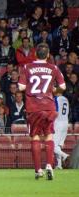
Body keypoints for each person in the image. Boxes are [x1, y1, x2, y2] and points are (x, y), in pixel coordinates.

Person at [18, 43, 66, 180]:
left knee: (35, 137)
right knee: (49, 135)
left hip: (34, 107)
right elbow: (63, 86)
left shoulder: (27, 67)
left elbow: (21, 87)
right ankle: (50, 166)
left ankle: (38, 170)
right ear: (48, 54)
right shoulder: (54, 68)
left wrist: (31, 87)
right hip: (49, 106)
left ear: (34, 54)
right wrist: (54, 90)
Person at [53, 88, 70, 169]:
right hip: (66, 123)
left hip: (58, 123)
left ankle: (65, 156)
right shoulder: (66, 99)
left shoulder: (55, 99)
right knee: (58, 145)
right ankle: (59, 165)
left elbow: (54, 112)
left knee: (53, 146)